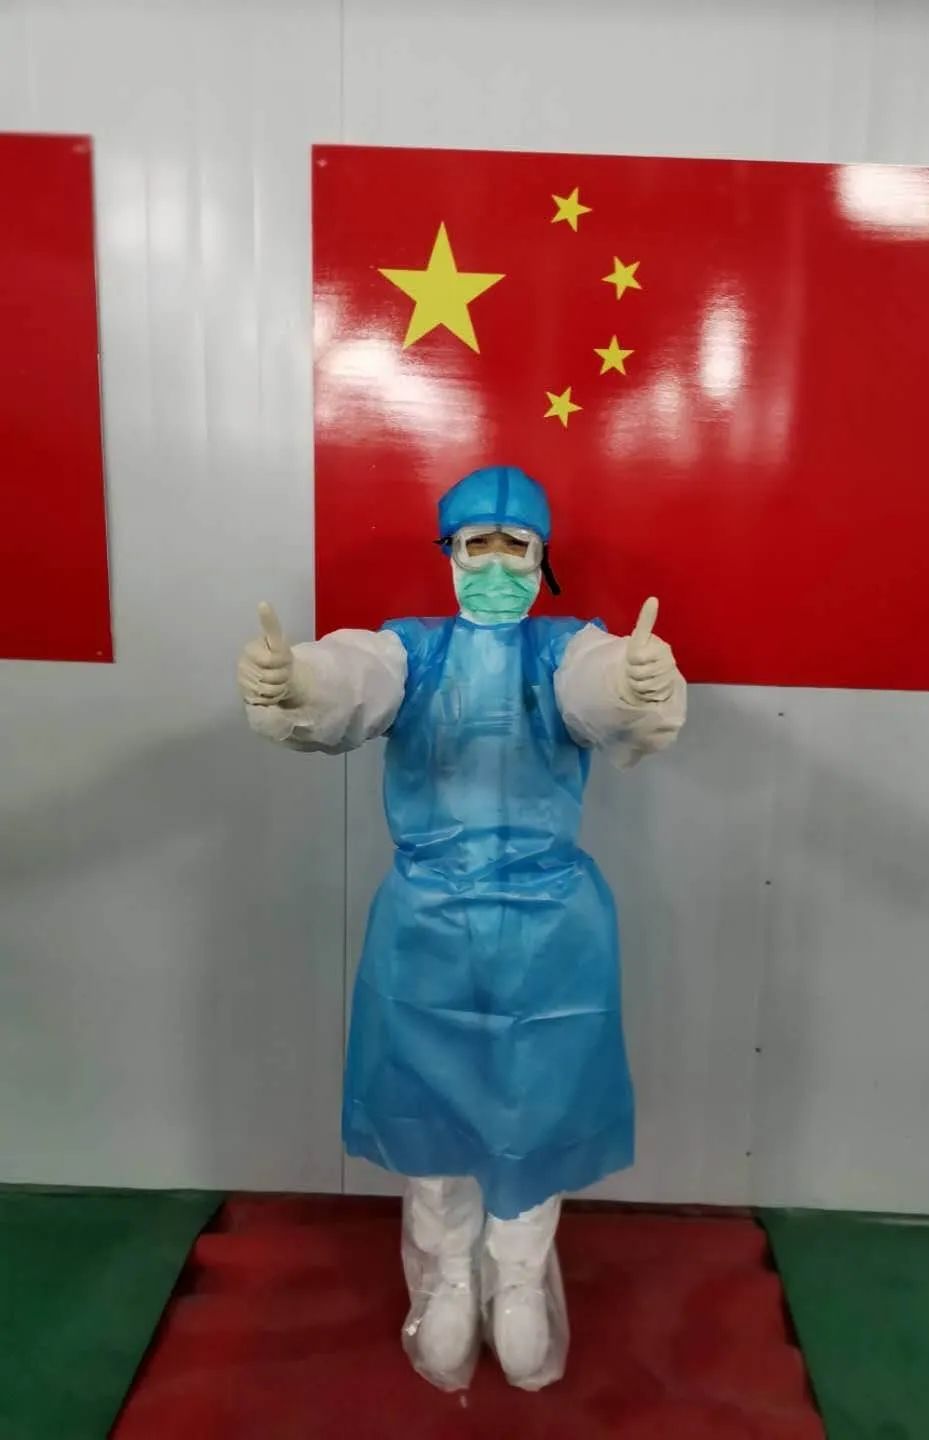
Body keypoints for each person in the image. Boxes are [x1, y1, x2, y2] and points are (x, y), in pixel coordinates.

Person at [238, 464, 687, 1390]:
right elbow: (357, 677)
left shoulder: (563, 649)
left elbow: (595, 689)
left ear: (542, 558)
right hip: (429, 926)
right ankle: (447, 1277)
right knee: (432, 1108)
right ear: (449, 552)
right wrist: (299, 680)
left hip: (550, 927)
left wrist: (635, 682)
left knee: (536, 1109)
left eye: (515, 547)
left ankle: (518, 1279)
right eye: (477, 544)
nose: (495, 564)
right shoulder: (416, 651)